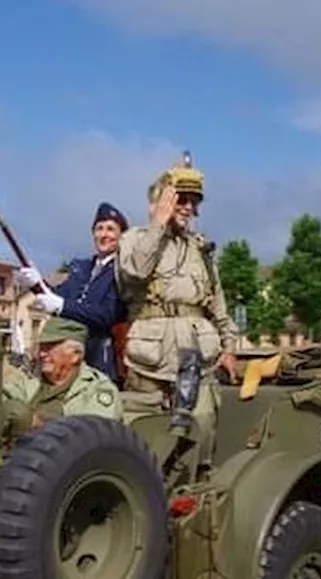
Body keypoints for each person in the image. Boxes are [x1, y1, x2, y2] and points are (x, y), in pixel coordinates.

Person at [116, 155, 238, 469]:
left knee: (203, 431)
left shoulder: (202, 249)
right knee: (144, 438)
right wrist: (159, 222)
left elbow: (217, 304)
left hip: (199, 355)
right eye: (180, 199)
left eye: (194, 201)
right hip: (150, 359)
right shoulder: (135, 240)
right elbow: (135, 271)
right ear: (159, 201)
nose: (188, 207)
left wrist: (229, 348)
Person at [14, 203, 128, 383]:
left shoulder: (124, 270)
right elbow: (58, 298)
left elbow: (106, 314)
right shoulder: (81, 268)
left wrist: (62, 306)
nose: (104, 235)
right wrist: (36, 284)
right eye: (99, 229)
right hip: (66, 358)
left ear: (122, 236)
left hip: (99, 357)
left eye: (110, 229)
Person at [7, 317, 122, 426]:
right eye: (42, 347)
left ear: (75, 355)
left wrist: (38, 425)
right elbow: (4, 407)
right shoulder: (28, 380)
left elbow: (95, 435)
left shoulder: (95, 389)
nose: (42, 354)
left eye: (50, 348)